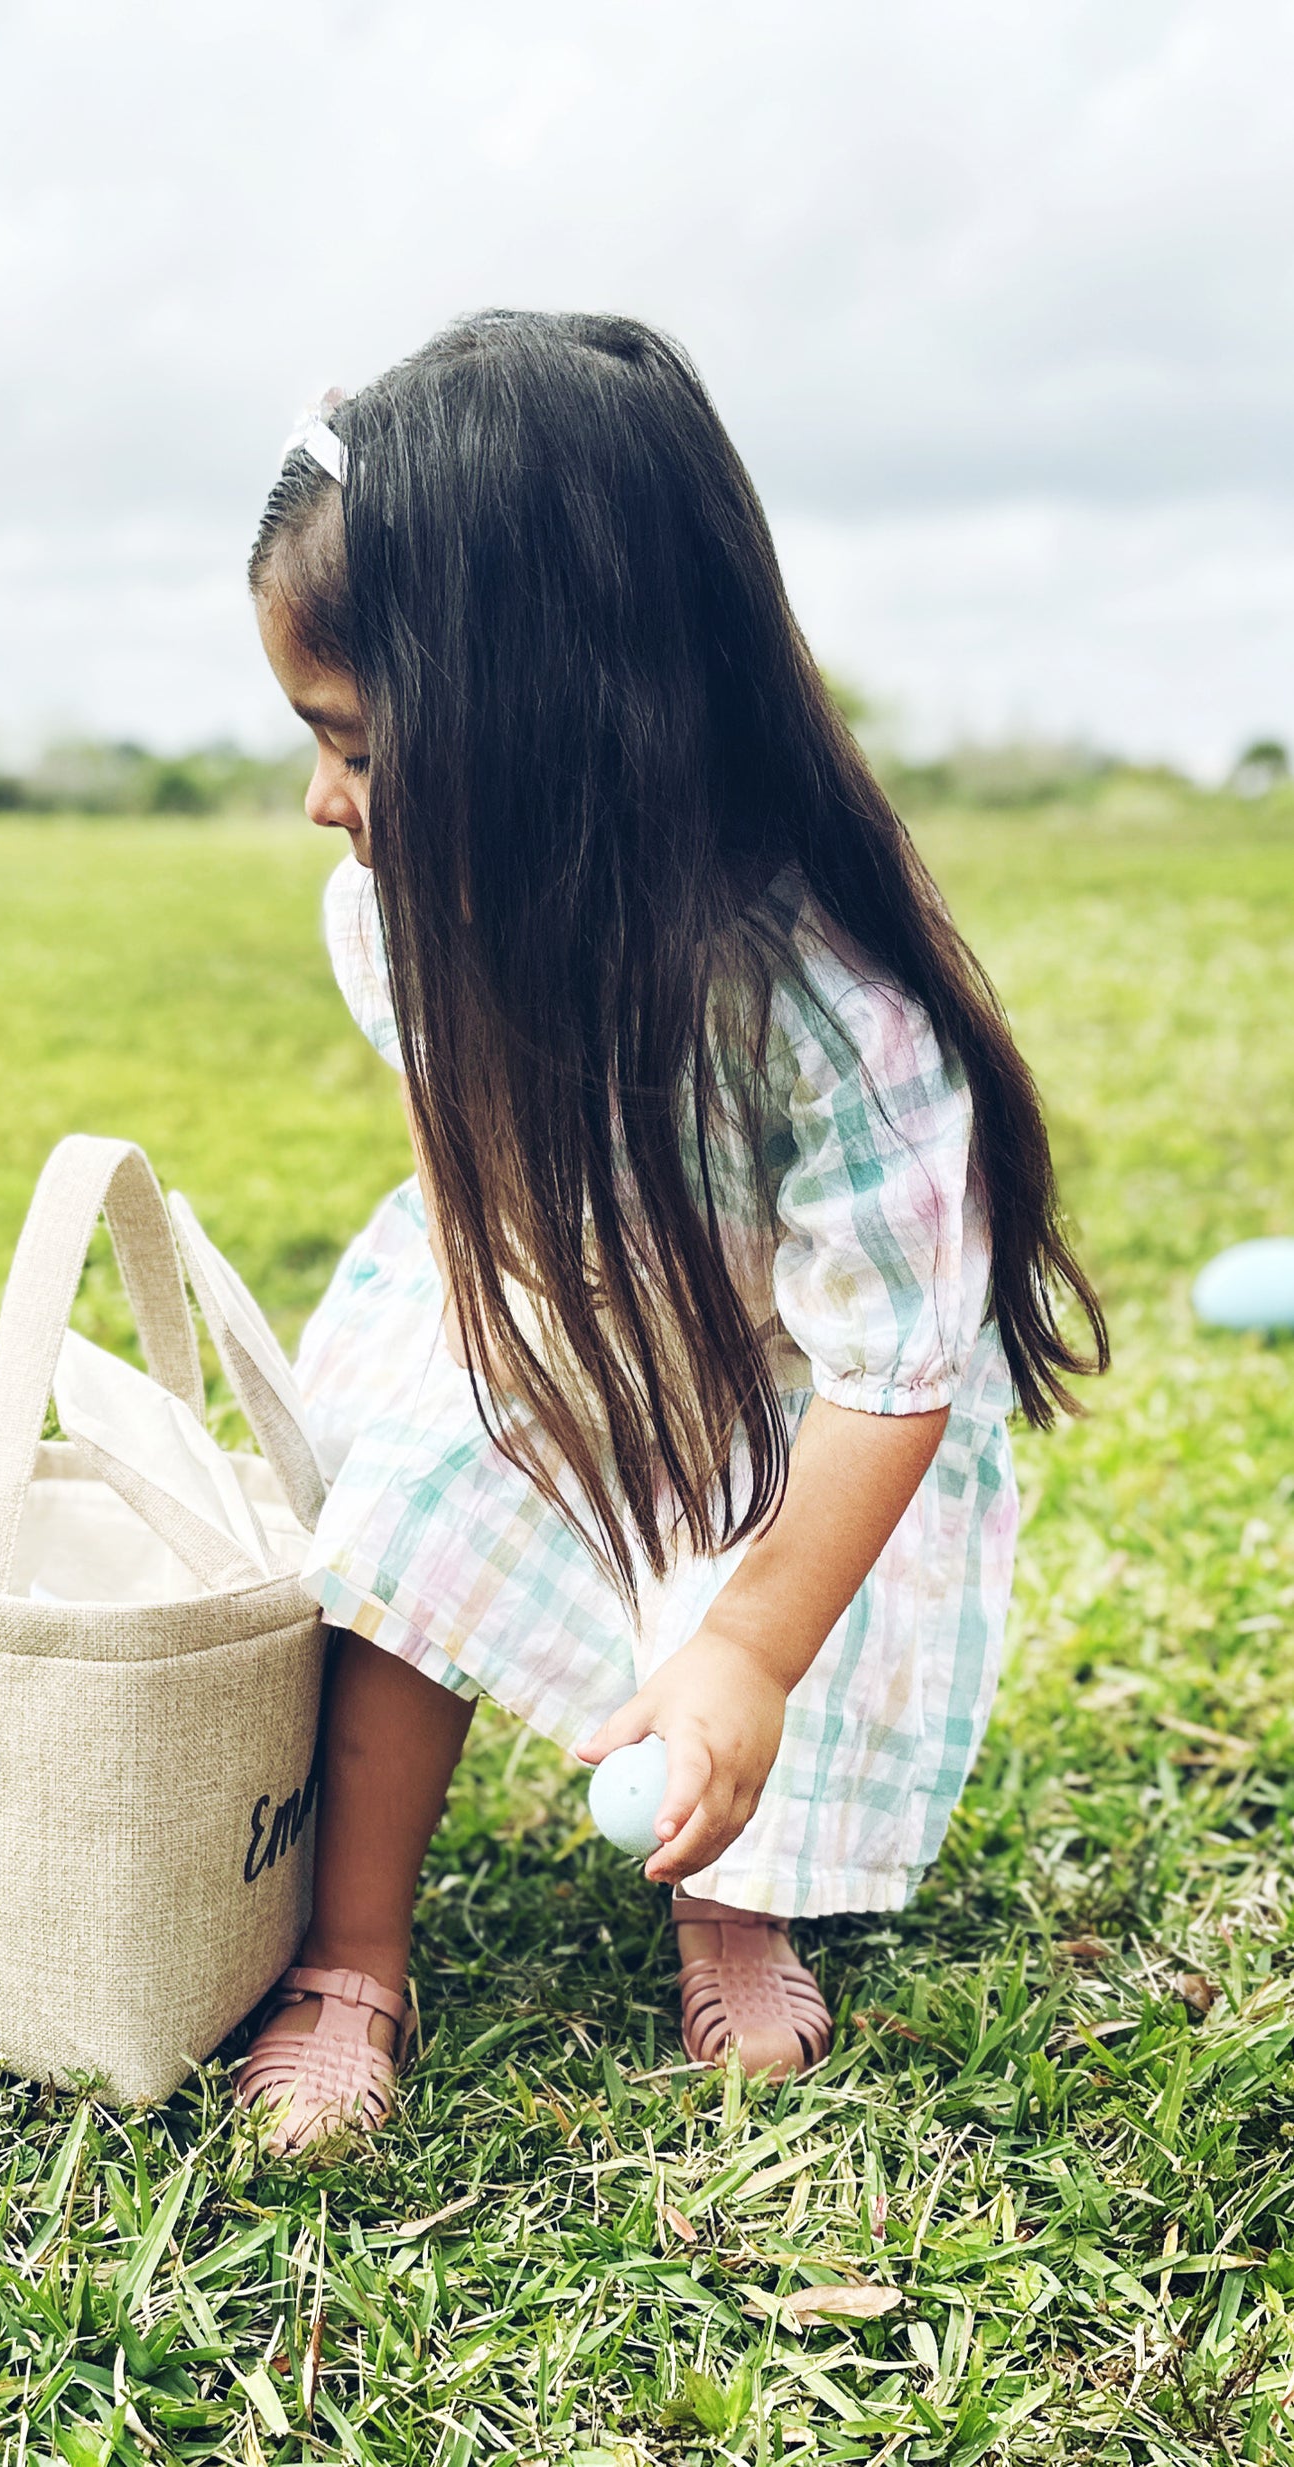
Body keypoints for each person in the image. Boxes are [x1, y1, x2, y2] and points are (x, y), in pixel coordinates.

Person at [230, 312, 1107, 2155]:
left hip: (791, 1384)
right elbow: (467, 1148)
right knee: (409, 1518)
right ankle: (348, 1953)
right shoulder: (400, 909)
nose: (321, 800)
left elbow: (888, 1366)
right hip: (539, 1292)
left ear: (552, 736)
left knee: (732, 1622)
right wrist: (517, 1350)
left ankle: (734, 1891)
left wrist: (749, 1651)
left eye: (355, 746)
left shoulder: (834, 1016)